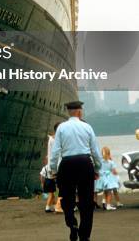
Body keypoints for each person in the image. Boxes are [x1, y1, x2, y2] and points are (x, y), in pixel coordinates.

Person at [49, 101, 101, 241]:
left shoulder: (61, 128)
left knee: (66, 198)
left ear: (69, 112)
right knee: (86, 201)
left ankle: (72, 223)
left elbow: (55, 152)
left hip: (67, 164)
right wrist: (97, 168)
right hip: (85, 163)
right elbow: (95, 151)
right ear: (79, 112)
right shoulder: (87, 127)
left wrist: (53, 170)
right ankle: (85, 236)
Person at [97, 146, 119, 210]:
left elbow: (98, 168)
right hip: (109, 178)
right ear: (109, 153)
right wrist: (117, 174)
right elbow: (114, 171)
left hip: (102, 178)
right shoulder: (110, 162)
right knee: (109, 192)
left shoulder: (100, 162)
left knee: (105, 191)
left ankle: (105, 203)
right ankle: (108, 205)